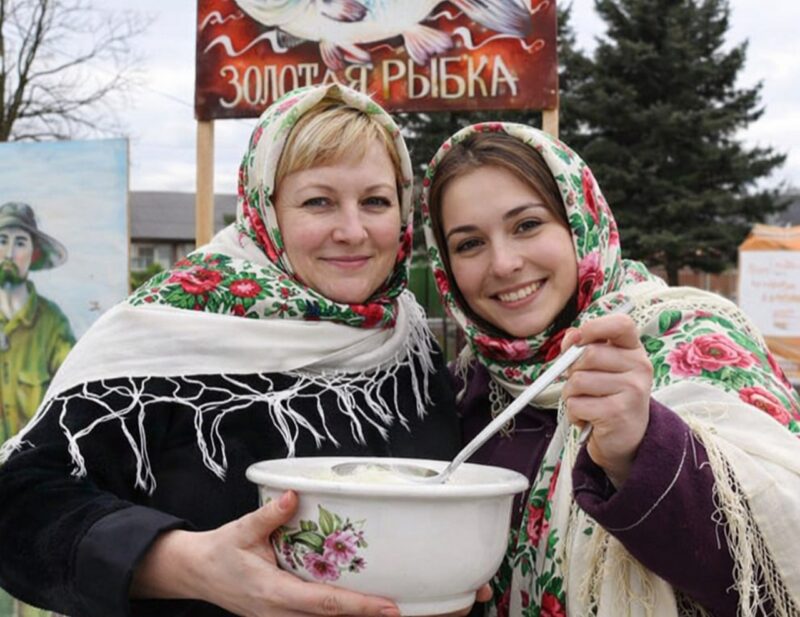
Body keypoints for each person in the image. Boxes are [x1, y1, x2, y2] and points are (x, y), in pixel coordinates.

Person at [0, 84, 475, 617]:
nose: (353, 229)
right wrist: (184, 562)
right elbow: (18, 502)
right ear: (263, 210)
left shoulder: (407, 338)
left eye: (376, 201)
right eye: (318, 201)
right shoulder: (164, 331)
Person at [420, 123, 800, 616]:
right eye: (469, 244)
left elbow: (779, 560)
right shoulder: (465, 393)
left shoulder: (698, 338)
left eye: (528, 225)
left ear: (581, 222)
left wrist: (641, 447)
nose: (505, 263)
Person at [0, 202, 75, 444]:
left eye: (20, 242)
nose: (10, 253)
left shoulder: (53, 323)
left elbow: (73, 391)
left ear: (34, 254)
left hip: (31, 466)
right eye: (2, 241)